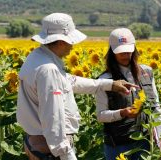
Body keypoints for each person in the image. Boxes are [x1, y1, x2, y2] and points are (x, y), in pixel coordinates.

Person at [16, 13, 137, 160]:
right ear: (60, 42)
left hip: (37, 142)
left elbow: (69, 81)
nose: (72, 46)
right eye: (70, 41)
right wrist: (65, 153)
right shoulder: (48, 70)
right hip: (50, 149)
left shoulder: (37, 58)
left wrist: (110, 84)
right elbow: (53, 117)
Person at [95, 28, 161, 160]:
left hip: (145, 141)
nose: (125, 55)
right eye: (120, 52)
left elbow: (155, 106)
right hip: (118, 145)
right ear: (112, 52)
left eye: (128, 50)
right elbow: (100, 115)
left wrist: (160, 136)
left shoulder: (146, 72)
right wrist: (122, 113)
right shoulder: (105, 80)